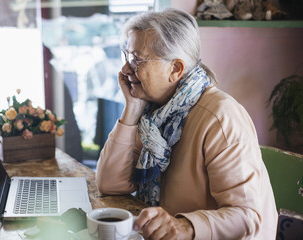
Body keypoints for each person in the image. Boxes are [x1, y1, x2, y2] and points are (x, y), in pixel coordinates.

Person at [95, 8, 278, 240]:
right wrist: (131, 108)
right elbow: (110, 184)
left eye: (137, 60)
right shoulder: (153, 113)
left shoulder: (221, 116)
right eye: (127, 56)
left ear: (175, 69)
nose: (125, 70)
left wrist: (184, 226)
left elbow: (247, 218)